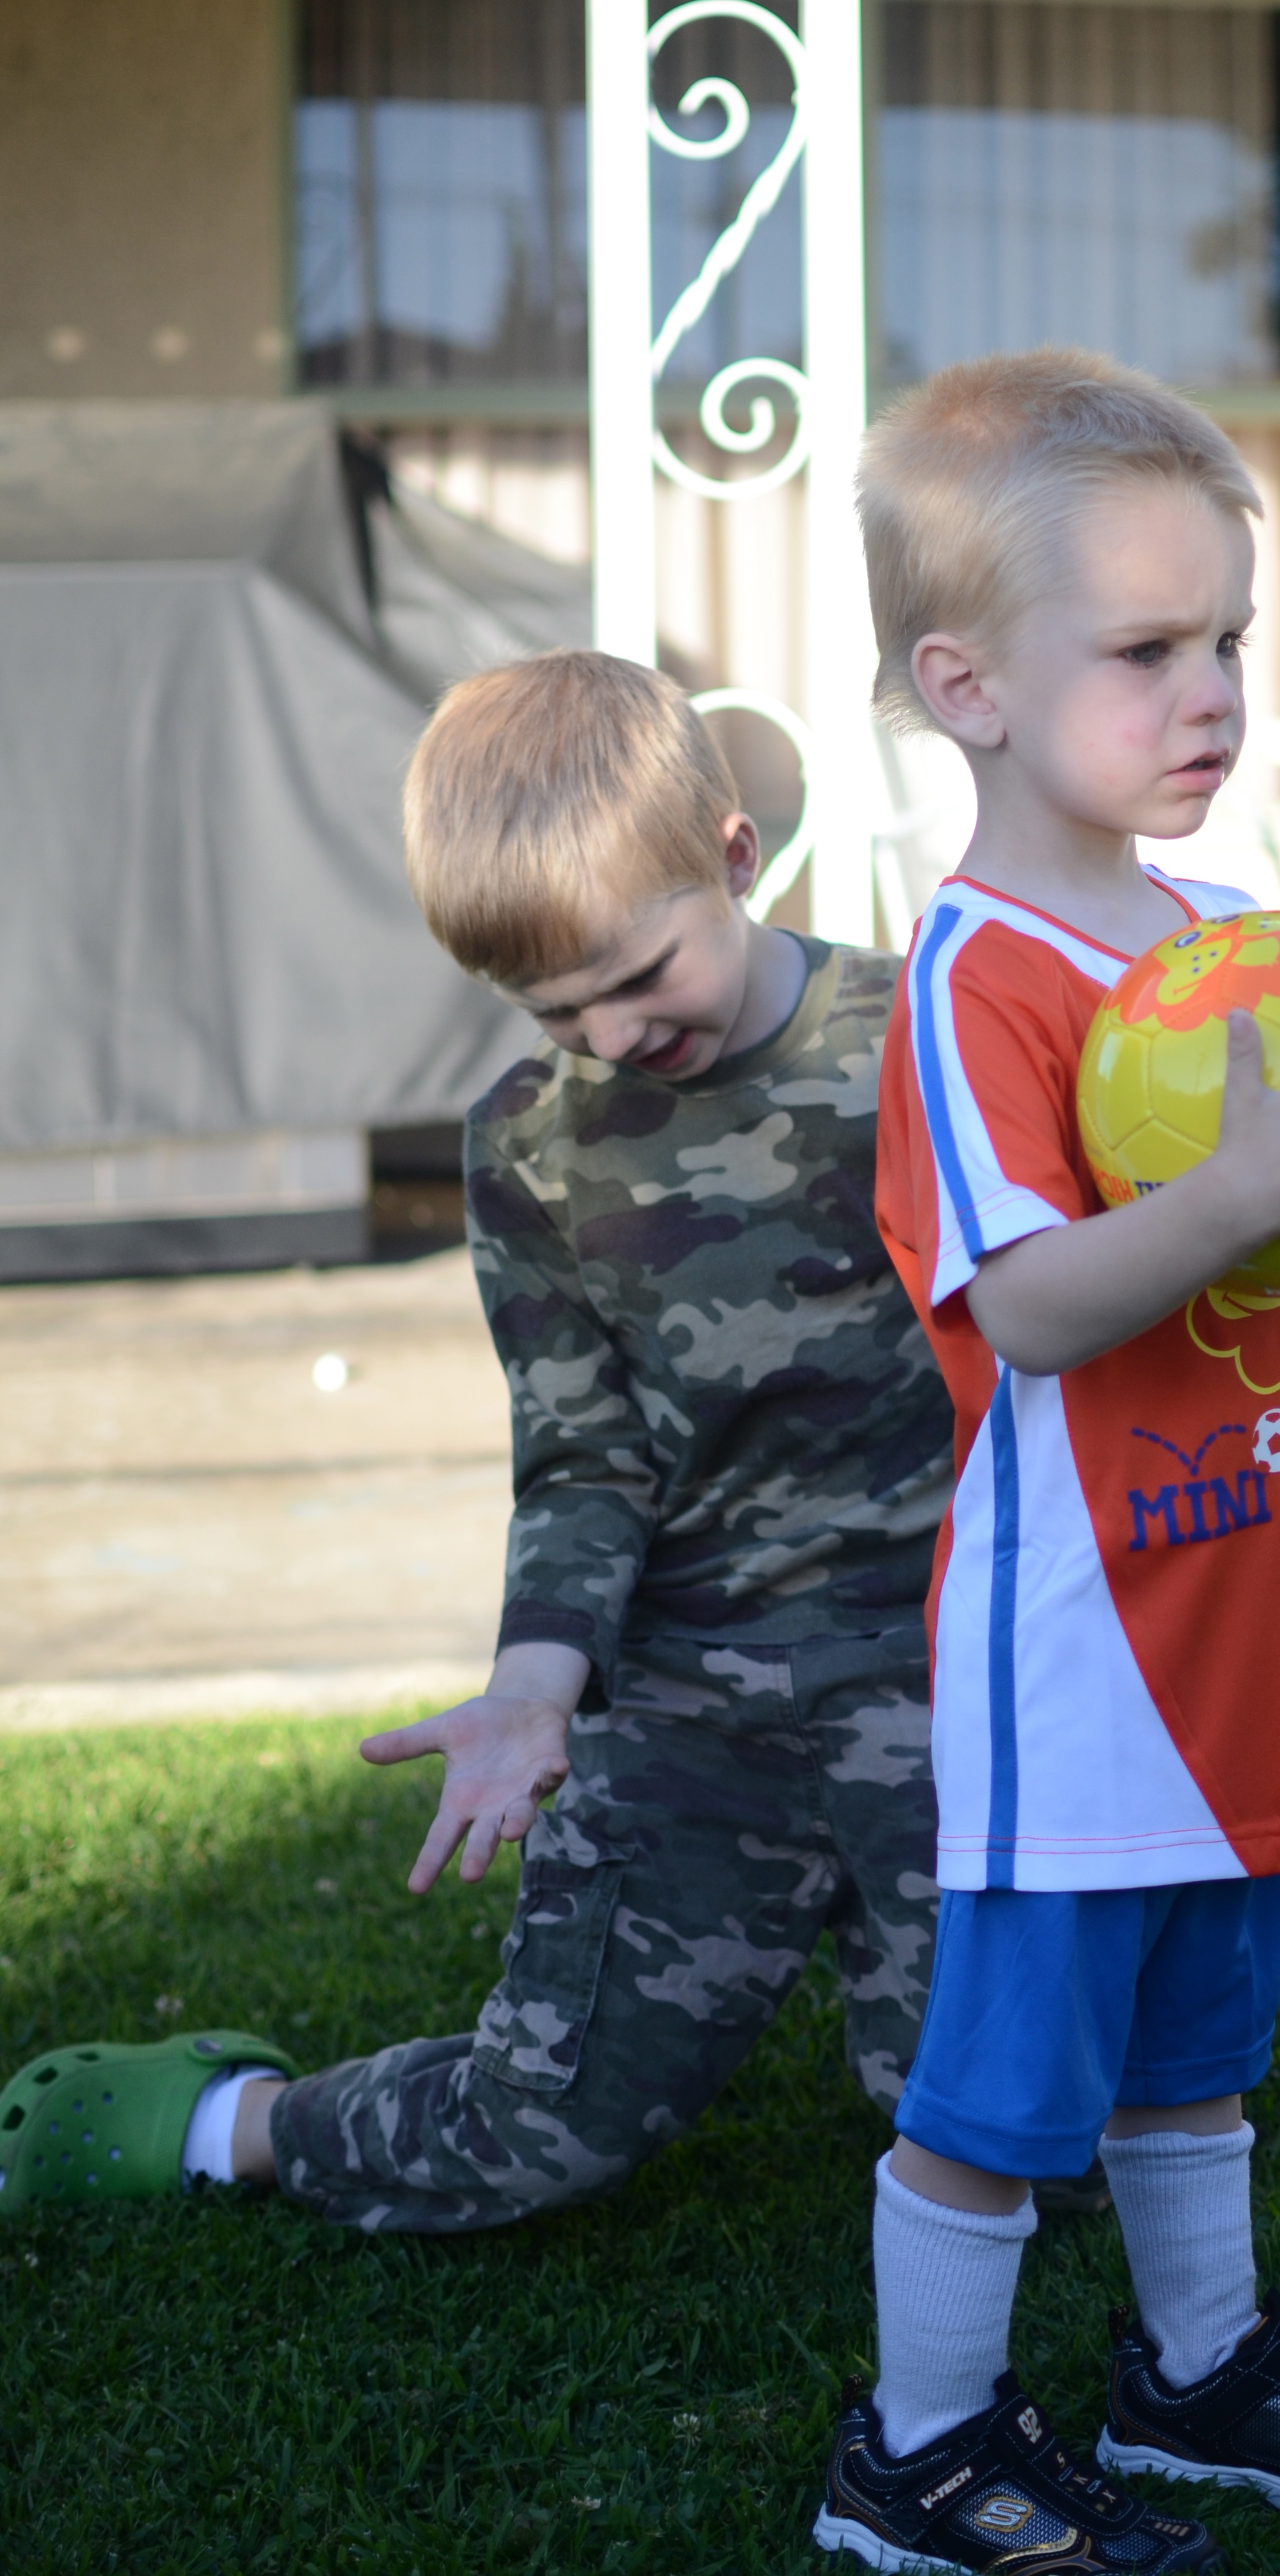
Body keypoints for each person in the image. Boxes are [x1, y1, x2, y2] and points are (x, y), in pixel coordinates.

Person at [813, 352, 1280, 2574]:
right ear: (968, 687)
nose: (1208, 691)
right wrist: (1247, 1182)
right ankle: (919, 2454)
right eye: (1144, 649)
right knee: (1003, 2091)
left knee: (1198, 2049)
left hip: (1243, 1624)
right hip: (1083, 1661)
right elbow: (1027, 1307)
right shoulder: (979, 977)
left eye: (1228, 638)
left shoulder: (1223, 948)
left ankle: (1198, 2376)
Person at [0, 649, 958, 2232]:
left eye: (641, 974)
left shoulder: (933, 1038)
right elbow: (582, 1454)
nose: (611, 1032)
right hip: (694, 1705)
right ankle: (232, 2119)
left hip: (958, 1685)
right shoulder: (530, 1140)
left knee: (1010, 2134)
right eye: (557, 1005)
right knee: (540, 2133)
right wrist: (533, 1689)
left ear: (734, 854)